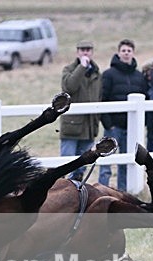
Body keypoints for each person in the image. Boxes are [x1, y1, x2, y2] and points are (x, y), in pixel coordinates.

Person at [98, 38, 148, 191]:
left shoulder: (139, 76)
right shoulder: (108, 75)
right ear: (118, 53)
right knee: (106, 161)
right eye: (123, 51)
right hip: (114, 126)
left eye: (129, 51)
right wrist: (108, 124)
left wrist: (141, 123)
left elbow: (146, 98)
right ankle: (101, 190)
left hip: (132, 128)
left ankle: (123, 192)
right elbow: (102, 99)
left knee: (127, 162)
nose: (126, 53)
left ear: (133, 53)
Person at [59, 40, 101, 181]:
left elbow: (99, 96)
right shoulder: (68, 69)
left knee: (82, 165)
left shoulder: (96, 72)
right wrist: (81, 67)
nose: (85, 52)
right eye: (82, 49)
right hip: (72, 125)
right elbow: (69, 87)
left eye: (88, 49)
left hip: (89, 126)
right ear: (77, 52)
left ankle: (77, 192)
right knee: (66, 163)